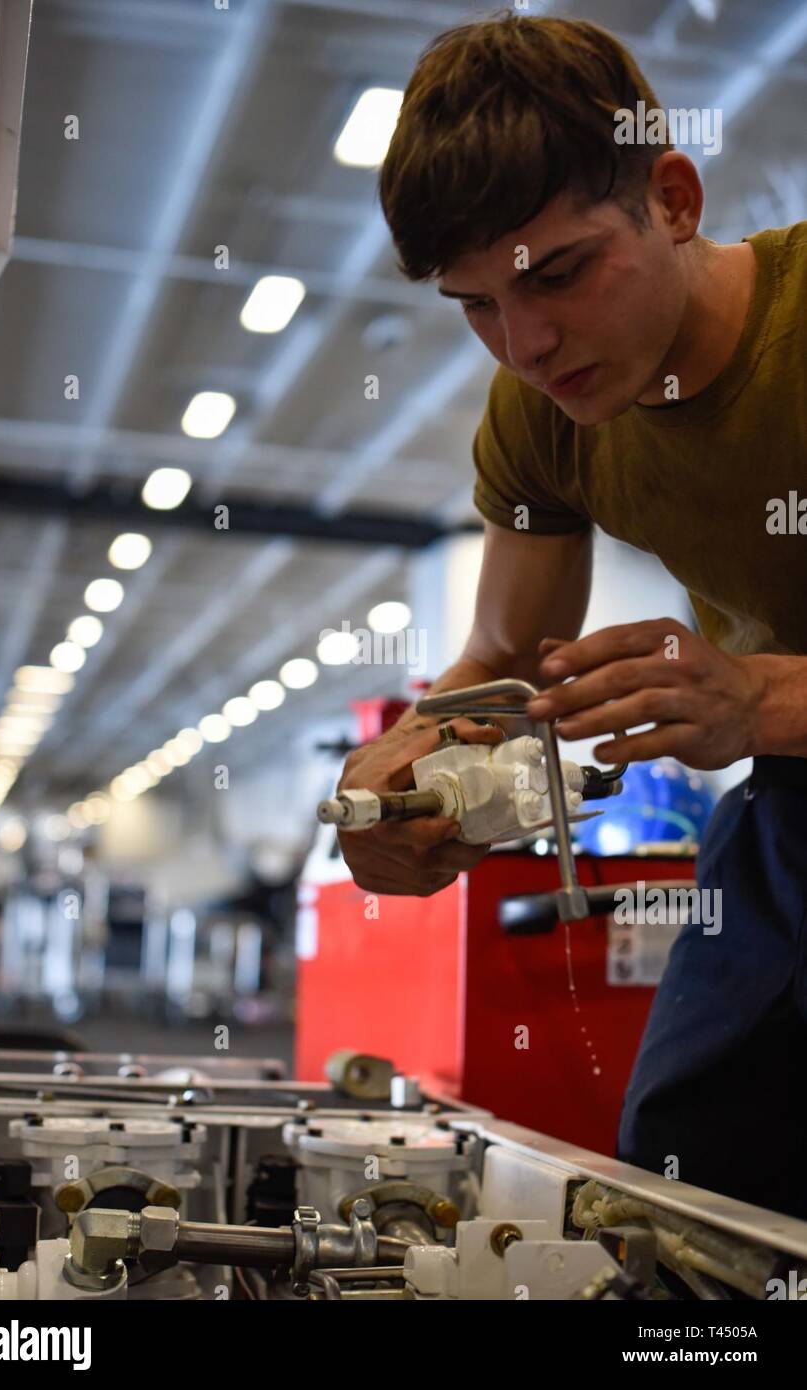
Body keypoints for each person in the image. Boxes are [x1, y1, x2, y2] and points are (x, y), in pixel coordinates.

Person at [336, 12, 807, 1219]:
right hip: (789, 806)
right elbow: (498, 658)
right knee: (684, 1180)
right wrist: (397, 785)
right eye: (476, 303)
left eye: (558, 273)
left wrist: (755, 695)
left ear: (675, 195)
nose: (528, 342)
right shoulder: (540, 415)